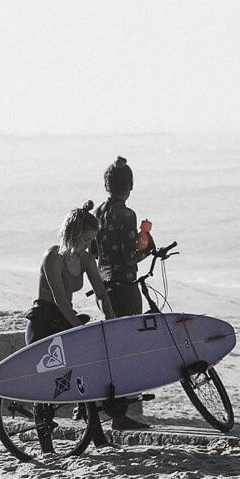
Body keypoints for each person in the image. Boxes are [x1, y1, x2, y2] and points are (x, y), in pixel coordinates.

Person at [94, 156, 154, 431]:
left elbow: (96, 251)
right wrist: (146, 247)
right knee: (127, 350)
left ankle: (107, 409)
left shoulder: (99, 213)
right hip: (124, 286)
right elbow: (129, 256)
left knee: (112, 349)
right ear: (129, 186)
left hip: (103, 285)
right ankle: (120, 416)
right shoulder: (126, 215)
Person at [25, 200, 115, 345]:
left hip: (65, 319)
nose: (88, 245)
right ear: (73, 234)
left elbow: (101, 294)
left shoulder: (86, 260)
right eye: (86, 239)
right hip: (43, 322)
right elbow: (60, 300)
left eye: (91, 240)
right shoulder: (53, 257)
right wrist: (80, 330)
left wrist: (111, 321)